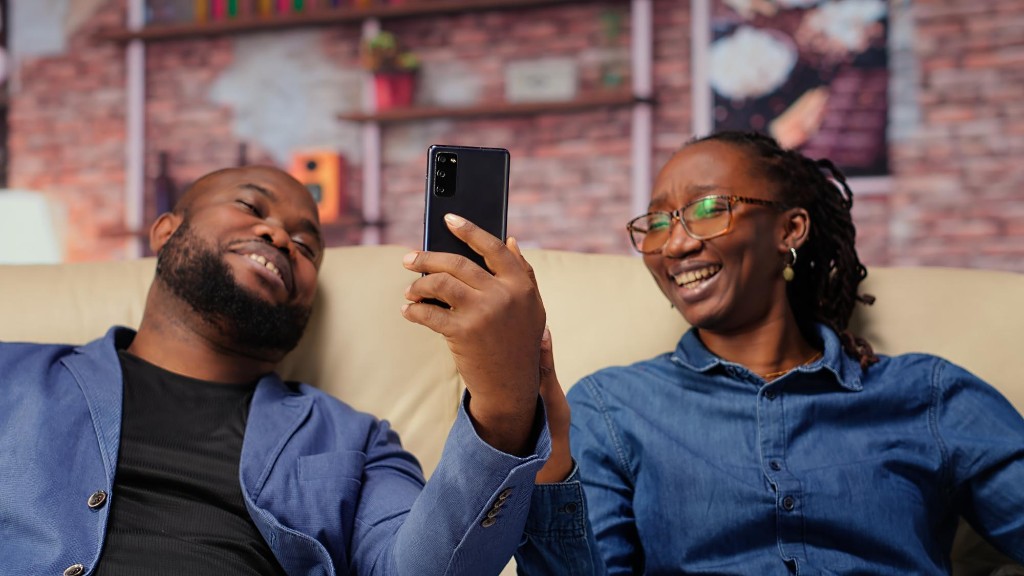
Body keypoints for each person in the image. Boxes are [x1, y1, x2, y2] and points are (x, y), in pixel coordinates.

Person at [0, 165, 573, 575]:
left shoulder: (359, 442)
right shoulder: (13, 374)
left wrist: (503, 407)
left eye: (307, 247)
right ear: (166, 232)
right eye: (252, 208)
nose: (281, 237)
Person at [523, 131, 1024, 574]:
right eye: (657, 221)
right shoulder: (611, 408)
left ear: (790, 230)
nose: (674, 244)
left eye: (708, 208)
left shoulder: (927, 394)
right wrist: (544, 462)